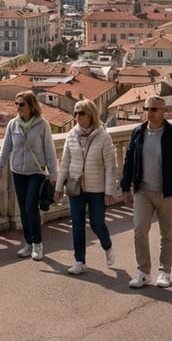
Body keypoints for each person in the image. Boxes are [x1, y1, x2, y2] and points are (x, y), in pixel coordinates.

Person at [121, 95, 172, 289]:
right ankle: (143, 272)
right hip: (143, 190)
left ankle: (164, 271)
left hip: (167, 193)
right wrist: (125, 187)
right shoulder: (138, 132)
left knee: (167, 234)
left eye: (153, 109)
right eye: (147, 109)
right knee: (139, 231)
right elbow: (129, 161)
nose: (149, 113)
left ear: (163, 111)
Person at [0, 90, 57, 261]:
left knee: (30, 207)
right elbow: (5, 148)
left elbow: (50, 152)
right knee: (22, 209)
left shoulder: (42, 125)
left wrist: (53, 175)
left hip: (36, 172)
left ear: (31, 106)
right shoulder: (13, 125)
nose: (18, 107)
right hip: (18, 172)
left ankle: (38, 245)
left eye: (22, 104)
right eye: (16, 104)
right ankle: (28, 244)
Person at [54, 99, 117, 275]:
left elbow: (110, 167)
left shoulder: (103, 137)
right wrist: (58, 188)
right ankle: (79, 261)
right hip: (76, 187)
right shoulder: (71, 135)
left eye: (82, 113)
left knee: (97, 223)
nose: (77, 117)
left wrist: (109, 191)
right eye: (76, 113)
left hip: (97, 188)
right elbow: (65, 163)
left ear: (91, 115)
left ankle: (107, 246)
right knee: (77, 225)